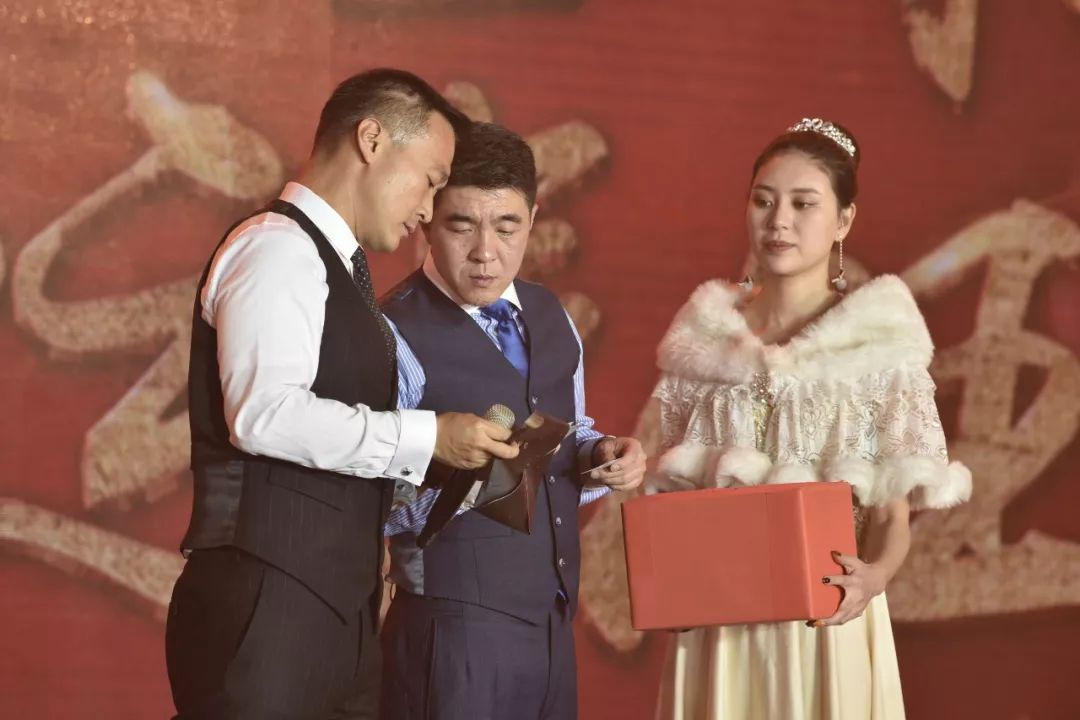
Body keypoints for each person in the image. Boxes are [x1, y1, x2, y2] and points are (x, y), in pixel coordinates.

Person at [166, 69, 519, 720]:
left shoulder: (337, 270)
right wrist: (427, 435)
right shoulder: (277, 249)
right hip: (268, 609)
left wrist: (441, 463)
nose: (428, 208)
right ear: (372, 140)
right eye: (431, 179)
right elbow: (264, 415)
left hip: (335, 615)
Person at [647, 118, 972, 719]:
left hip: (825, 621)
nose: (779, 221)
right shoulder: (705, 342)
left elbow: (891, 516)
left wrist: (873, 578)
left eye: (803, 204)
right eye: (763, 201)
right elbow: (673, 501)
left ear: (844, 220)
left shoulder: (878, 347)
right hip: (717, 628)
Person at [378, 121, 647, 720]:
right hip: (449, 633)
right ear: (426, 217)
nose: (485, 252)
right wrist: (462, 480)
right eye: (461, 225)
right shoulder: (391, 331)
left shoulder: (552, 314)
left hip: (551, 623)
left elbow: (569, 439)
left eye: (506, 227)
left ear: (533, 218)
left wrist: (602, 456)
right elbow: (368, 498)